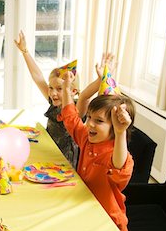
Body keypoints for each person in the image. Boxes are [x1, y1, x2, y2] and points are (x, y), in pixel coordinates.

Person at [14, 30, 116, 168]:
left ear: (73, 91)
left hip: (64, 162)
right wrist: (25, 51)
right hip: (48, 152)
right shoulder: (53, 101)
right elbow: (38, 77)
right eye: (51, 88)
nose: (53, 93)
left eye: (59, 89)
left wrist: (101, 78)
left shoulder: (75, 109)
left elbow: (85, 96)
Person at [60, 69, 135, 231]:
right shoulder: (87, 138)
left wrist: (121, 132)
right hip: (83, 213)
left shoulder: (116, 153)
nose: (89, 124)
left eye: (99, 121)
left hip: (108, 224)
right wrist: (66, 90)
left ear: (115, 128)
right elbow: (71, 119)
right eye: (89, 118)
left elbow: (120, 170)